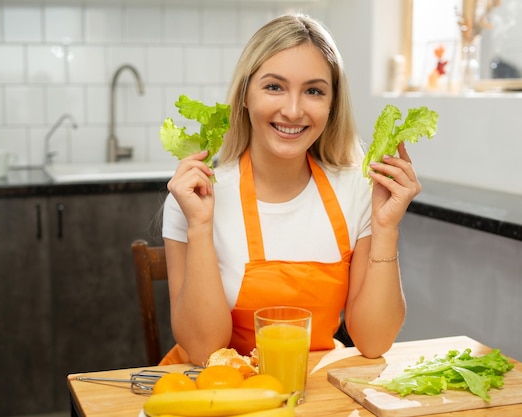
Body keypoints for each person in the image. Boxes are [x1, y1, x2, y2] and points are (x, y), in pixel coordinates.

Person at [160, 13, 421, 366]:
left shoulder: (357, 192)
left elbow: (373, 342)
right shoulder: (197, 196)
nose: (293, 110)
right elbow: (203, 350)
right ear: (245, 96)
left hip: (311, 390)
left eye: (313, 91)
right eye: (274, 87)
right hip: (215, 389)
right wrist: (201, 227)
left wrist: (386, 229)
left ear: (332, 105)